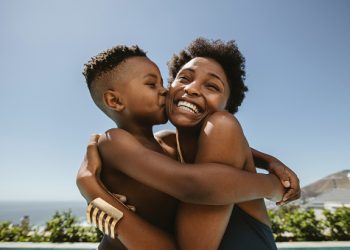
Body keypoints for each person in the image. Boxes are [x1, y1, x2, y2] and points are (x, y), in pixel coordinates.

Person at [77, 39, 300, 250]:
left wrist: (270, 163)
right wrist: (272, 184)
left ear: (227, 105)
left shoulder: (206, 129)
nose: (190, 89)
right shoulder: (131, 142)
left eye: (212, 86)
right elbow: (192, 184)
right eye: (183, 78)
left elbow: (205, 176)